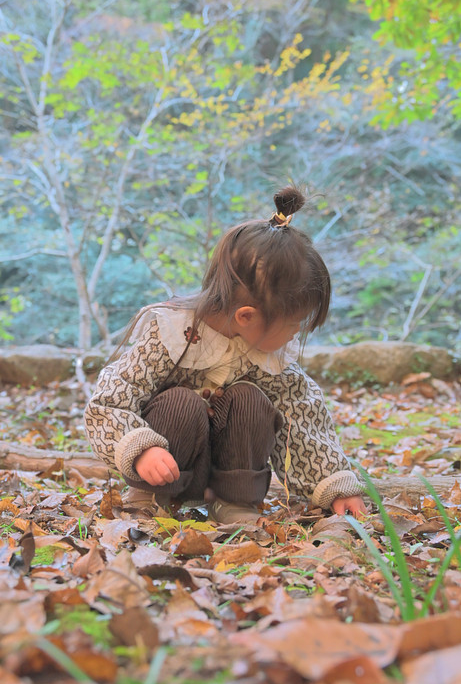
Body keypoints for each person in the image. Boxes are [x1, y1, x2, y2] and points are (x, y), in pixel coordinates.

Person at [84, 187, 366, 524]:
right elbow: (111, 399)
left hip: (230, 469)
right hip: (168, 461)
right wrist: (141, 449)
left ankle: (235, 503)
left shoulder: (271, 360)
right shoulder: (170, 334)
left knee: (251, 399)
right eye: (293, 323)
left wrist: (335, 485)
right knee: (181, 402)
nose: (296, 334)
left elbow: (302, 420)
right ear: (246, 315)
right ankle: (147, 496)